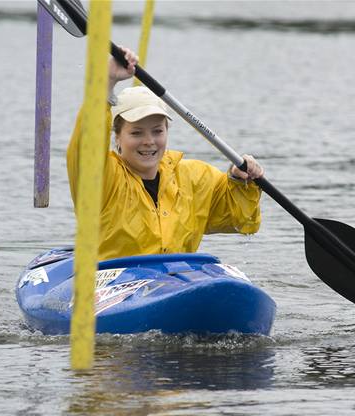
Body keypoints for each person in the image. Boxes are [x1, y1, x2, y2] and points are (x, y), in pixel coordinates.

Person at [67, 47, 265, 261]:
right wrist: (105, 83)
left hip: (176, 282)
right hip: (115, 282)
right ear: (117, 137)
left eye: (157, 131)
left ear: (167, 132)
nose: (149, 141)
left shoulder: (194, 178)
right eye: (136, 132)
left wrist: (240, 178)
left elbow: (242, 220)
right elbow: (87, 146)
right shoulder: (103, 178)